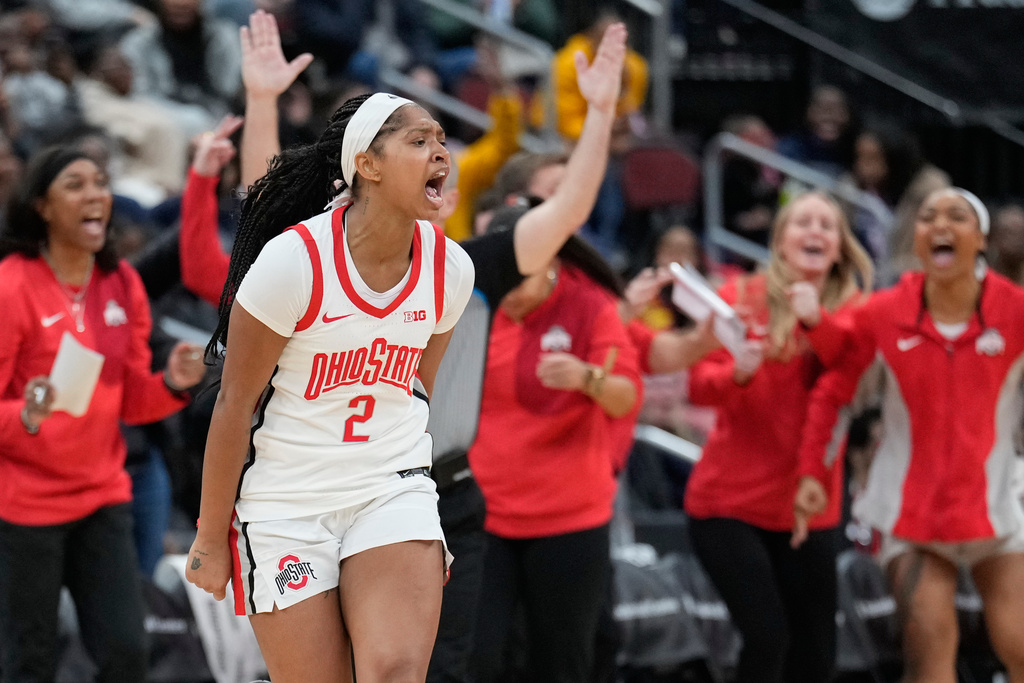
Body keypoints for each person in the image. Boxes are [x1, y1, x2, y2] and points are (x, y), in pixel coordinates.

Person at [182, 79, 481, 683]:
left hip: (389, 487)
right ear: (366, 164)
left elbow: (415, 384)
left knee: (395, 673)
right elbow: (235, 404)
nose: (441, 154)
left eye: (443, 141)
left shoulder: (450, 267)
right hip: (286, 503)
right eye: (419, 140)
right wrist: (212, 537)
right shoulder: (294, 262)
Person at [795, 188, 1024, 683]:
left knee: (1018, 641)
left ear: (980, 240)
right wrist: (813, 470)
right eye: (927, 217)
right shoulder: (884, 311)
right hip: (910, 515)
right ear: (917, 241)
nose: (940, 224)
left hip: (999, 509)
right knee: (930, 650)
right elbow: (835, 387)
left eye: (956, 217)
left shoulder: (1016, 311)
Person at [0, 146, 206, 681]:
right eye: (75, 184)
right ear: (41, 206)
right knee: (29, 661)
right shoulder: (11, 286)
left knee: (127, 651)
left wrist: (172, 384)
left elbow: (134, 400)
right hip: (24, 509)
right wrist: (26, 414)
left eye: (100, 181)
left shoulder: (121, 284)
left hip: (102, 497)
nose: (96, 194)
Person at [685, 191, 874, 683]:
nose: (815, 231)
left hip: (808, 505)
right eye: (803, 222)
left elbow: (854, 372)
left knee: (816, 655)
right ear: (780, 240)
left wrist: (816, 319)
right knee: (768, 637)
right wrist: (738, 376)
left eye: (827, 226)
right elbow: (699, 387)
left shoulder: (856, 309)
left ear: (839, 247)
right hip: (729, 500)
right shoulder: (738, 295)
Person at [468, 215, 643, 683]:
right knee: (476, 659)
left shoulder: (589, 304)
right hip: (488, 515)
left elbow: (627, 396)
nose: (509, 282)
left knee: (562, 664)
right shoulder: (472, 307)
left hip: (569, 517)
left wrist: (589, 378)